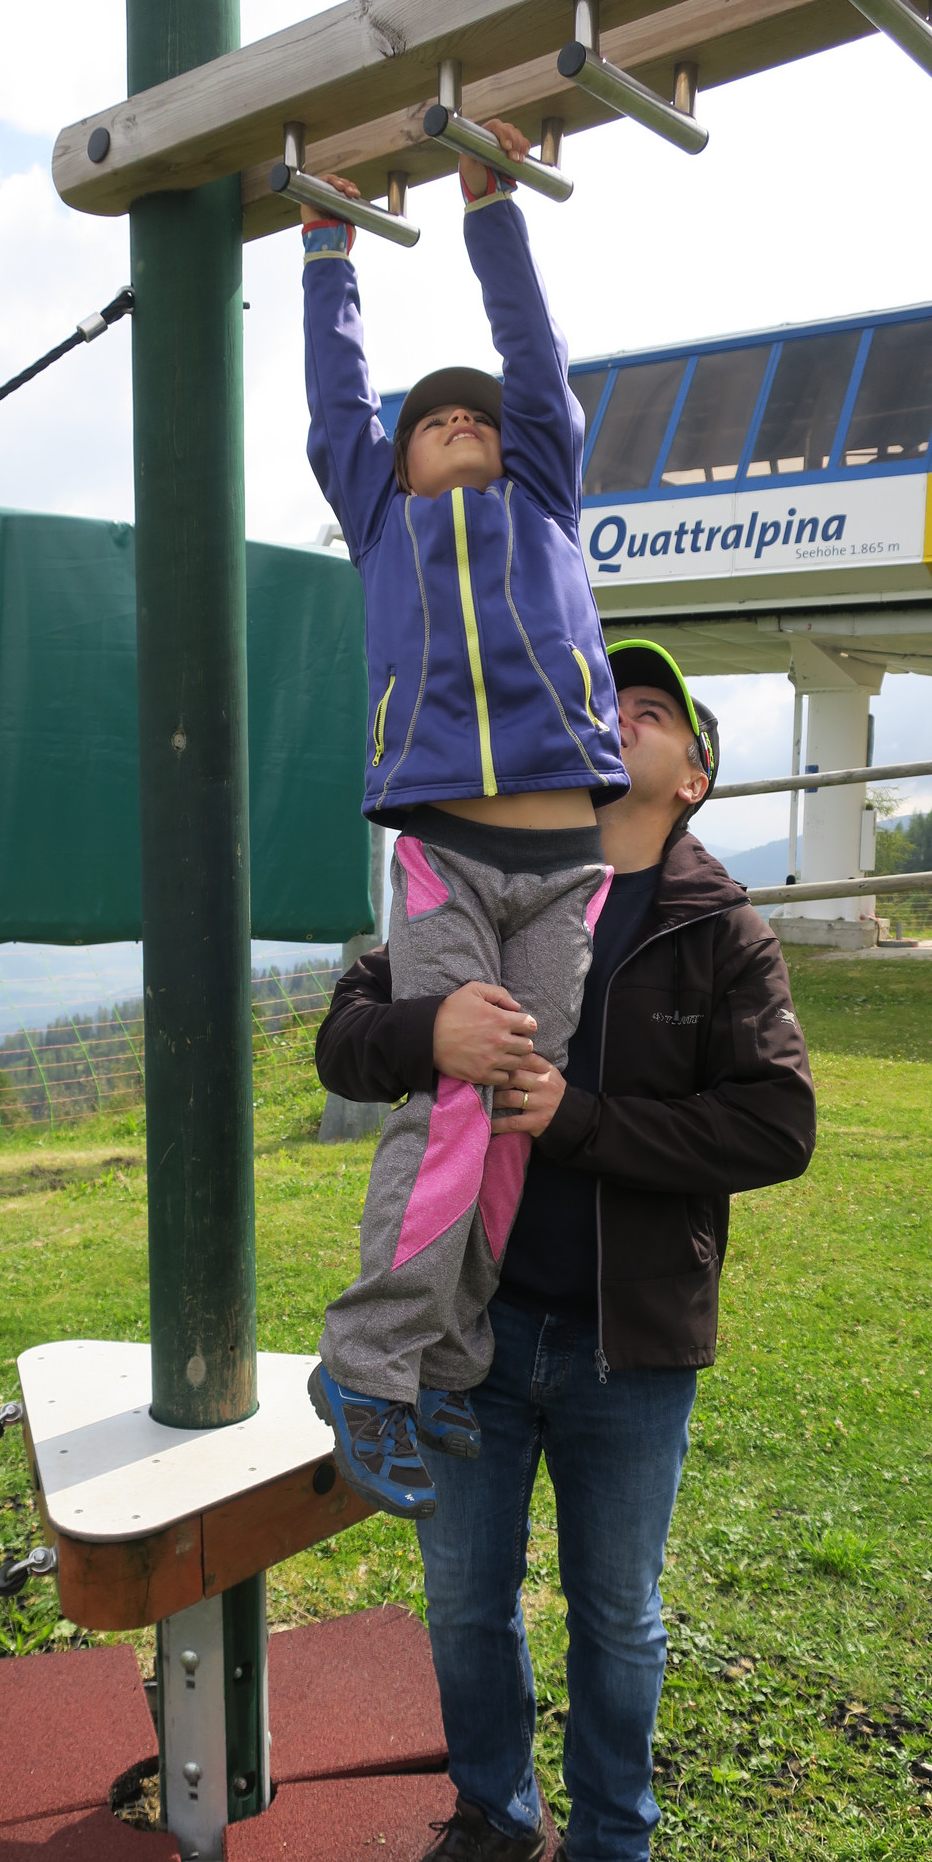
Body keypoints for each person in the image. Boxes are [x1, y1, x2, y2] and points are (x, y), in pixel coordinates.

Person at [314, 639, 816, 1862]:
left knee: (619, 1622)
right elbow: (344, 1039)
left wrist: (580, 1122)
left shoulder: (721, 930)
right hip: (467, 1341)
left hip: (627, 1348)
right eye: (609, 702)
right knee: (464, 1608)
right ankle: (493, 1817)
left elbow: (777, 1127)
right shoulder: (495, 869)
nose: (623, 716)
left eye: (653, 709)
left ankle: (607, 1858)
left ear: (694, 776)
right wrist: (426, 1032)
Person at [298, 123, 629, 1522]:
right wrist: (329, 250)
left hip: (562, 866)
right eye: (435, 422)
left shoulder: (543, 499)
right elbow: (339, 400)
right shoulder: (381, 521)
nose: (464, 426)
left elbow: (535, 364)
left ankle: (445, 1354)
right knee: (450, 1097)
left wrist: (493, 211)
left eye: (479, 421)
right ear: (393, 462)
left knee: (508, 1112)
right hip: (446, 851)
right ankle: (366, 1367)